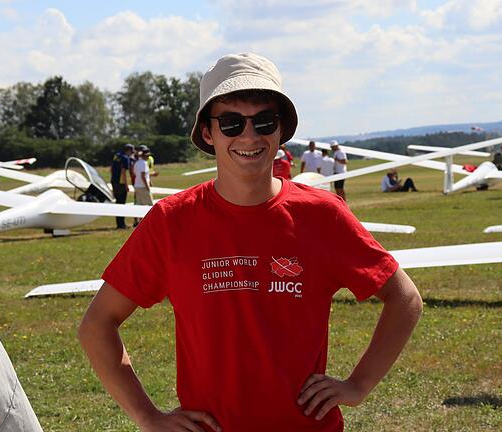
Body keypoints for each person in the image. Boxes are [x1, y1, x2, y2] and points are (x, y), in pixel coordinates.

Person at [78, 52, 422, 432]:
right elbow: (97, 324)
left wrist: (359, 384)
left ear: (280, 130)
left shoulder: (323, 214)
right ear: (207, 133)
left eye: (263, 121)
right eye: (230, 122)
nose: (249, 136)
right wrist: (147, 416)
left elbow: (404, 298)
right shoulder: (171, 221)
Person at [110, 144, 134, 229]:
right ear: (128, 150)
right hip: (121, 183)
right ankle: (121, 224)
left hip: (114, 181)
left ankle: (119, 223)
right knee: (121, 203)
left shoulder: (116, 155)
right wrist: (126, 185)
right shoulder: (125, 158)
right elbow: (123, 172)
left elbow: (111, 169)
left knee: (118, 202)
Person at [132, 148, 153, 227]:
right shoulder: (144, 163)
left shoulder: (136, 163)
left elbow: (134, 174)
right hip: (143, 187)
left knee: (139, 205)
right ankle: (151, 222)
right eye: (147, 155)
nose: (148, 157)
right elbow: (142, 175)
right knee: (150, 205)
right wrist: (147, 186)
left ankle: (140, 222)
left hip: (137, 186)